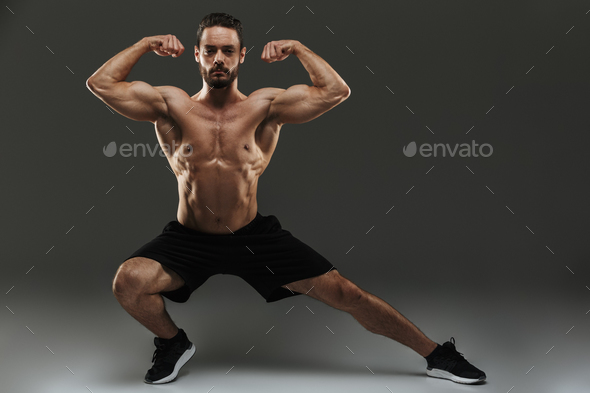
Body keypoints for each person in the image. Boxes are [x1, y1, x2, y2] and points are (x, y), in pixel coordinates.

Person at [86, 12, 486, 386]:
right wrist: (142, 44)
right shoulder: (170, 104)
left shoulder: (266, 106)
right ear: (197, 55)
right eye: (210, 50)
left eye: (228, 50)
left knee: (346, 293)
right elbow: (100, 84)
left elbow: (335, 91)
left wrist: (297, 48)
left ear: (242, 55)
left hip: (253, 236)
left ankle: (437, 355)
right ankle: (173, 342)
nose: (219, 59)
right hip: (189, 239)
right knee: (129, 281)